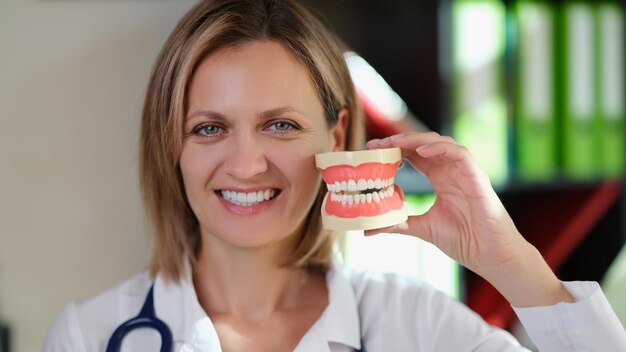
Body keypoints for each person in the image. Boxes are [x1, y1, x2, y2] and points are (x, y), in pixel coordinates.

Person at [44, 0, 626, 351]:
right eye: (209, 129)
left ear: (337, 133)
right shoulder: (93, 335)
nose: (247, 165)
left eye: (280, 125)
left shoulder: (416, 325)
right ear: (169, 141)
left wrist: (509, 260)